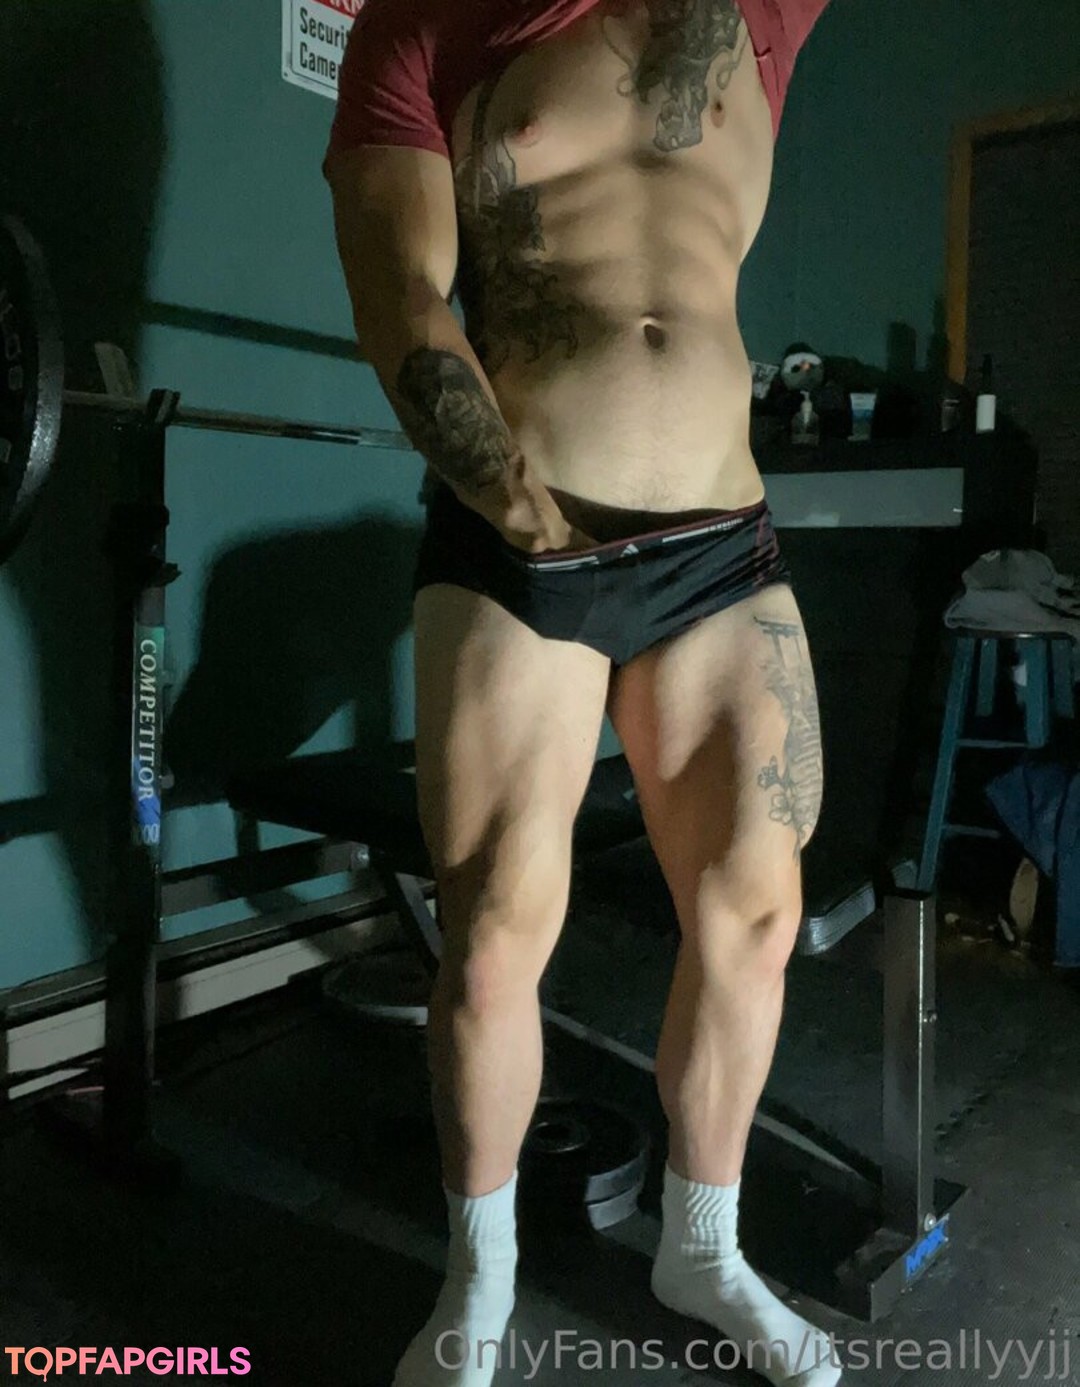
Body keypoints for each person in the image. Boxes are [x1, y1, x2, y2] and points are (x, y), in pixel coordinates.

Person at [323, 2, 837, 1383]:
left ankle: (704, 1248)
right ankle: (478, 1278)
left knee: (755, 908)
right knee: (494, 934)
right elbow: (399, 294)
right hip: (521, 532)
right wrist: (517, 510)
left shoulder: (758, 17)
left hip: (720, 540)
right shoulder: (425, 24)